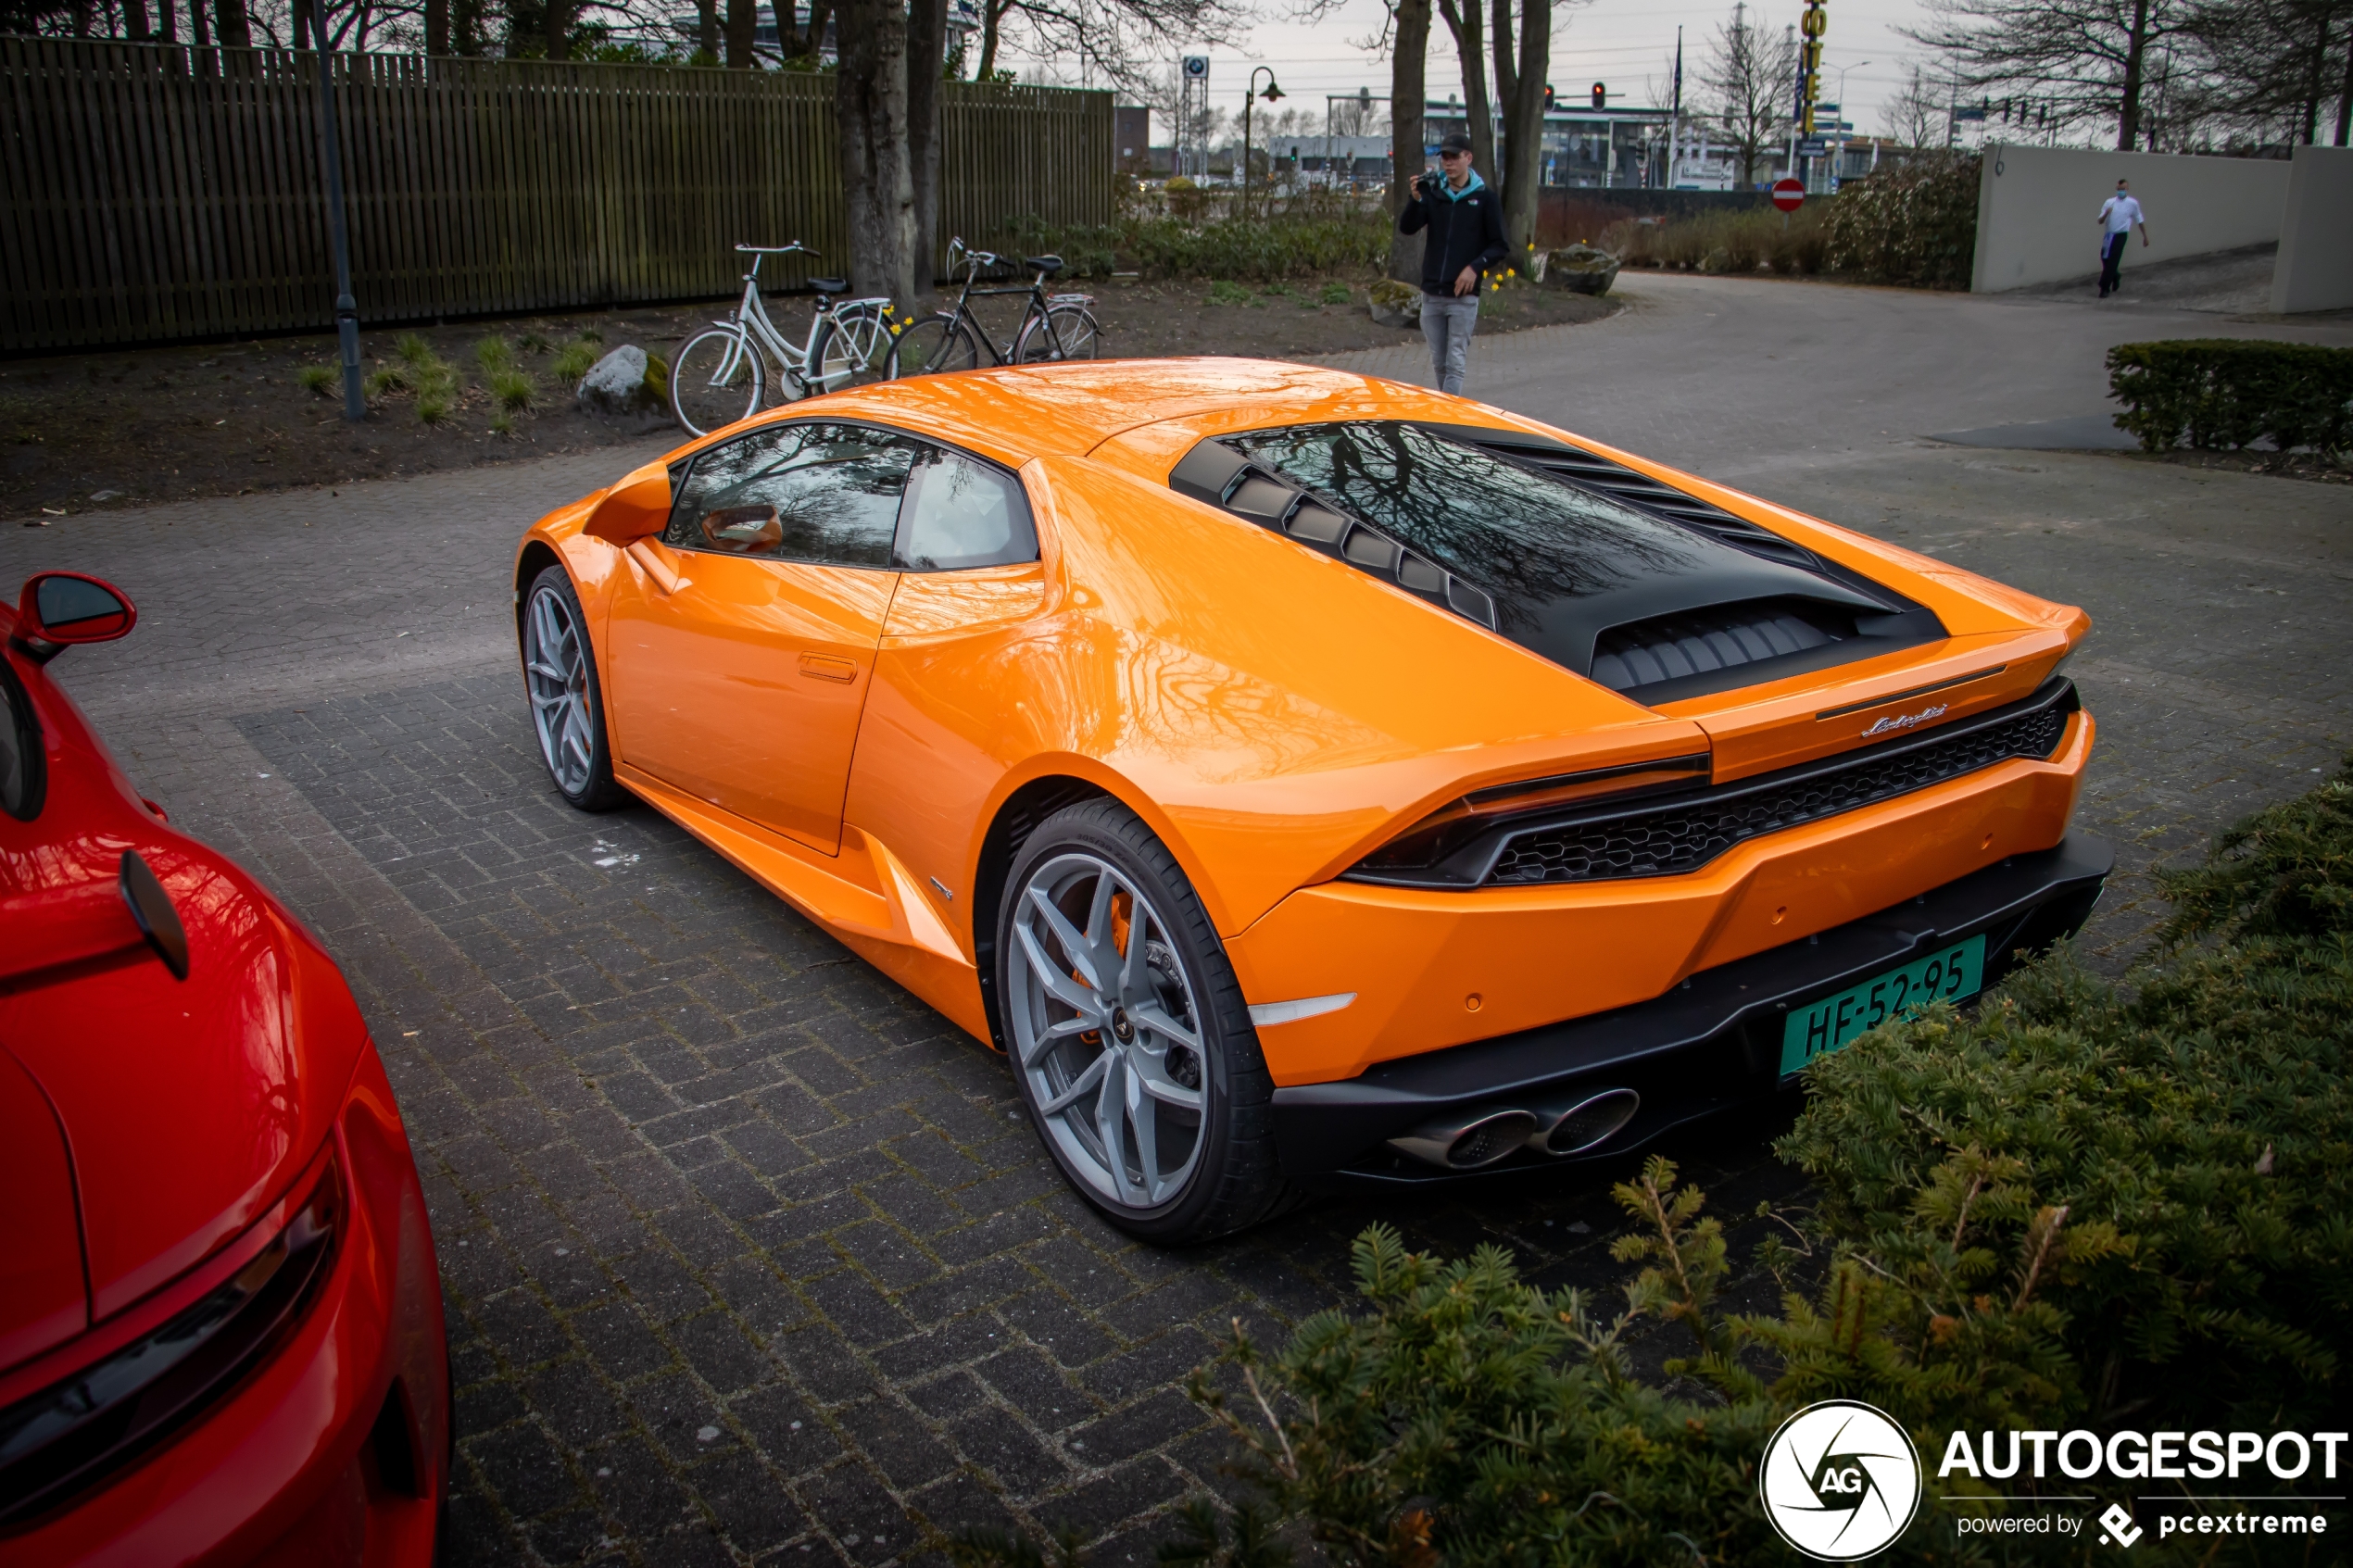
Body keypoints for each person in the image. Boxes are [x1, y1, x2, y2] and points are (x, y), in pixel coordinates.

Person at [1398, 132, 1507, 395]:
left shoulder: (1484, 199)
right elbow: (1408, 227)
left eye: (1454, 157)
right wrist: (1415, 201)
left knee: (1455, 362)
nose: (1448, 163)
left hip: (1463, 297)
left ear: (1468, 158)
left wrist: (1474, 268)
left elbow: (1500, 245)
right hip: (1432, 293)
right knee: (1439, 362)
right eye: (1444, 157)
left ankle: (1446, 418)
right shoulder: (1435, 195)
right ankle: (1448, 411)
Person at [2096, 178, 2149, 298]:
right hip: (2109, 235)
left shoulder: (2132, 203)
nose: (2121, 191)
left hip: (2121, 234)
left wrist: (2145, 237)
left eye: (2123, 189)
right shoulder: (2109, 202)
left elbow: (2139, 220)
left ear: (2127, 189)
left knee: (2113, 260)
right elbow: (2100, 221)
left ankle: (2104, 287)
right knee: (2105, 259)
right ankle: (2115, 276)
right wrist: (2106, 213)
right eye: (2119, 189)